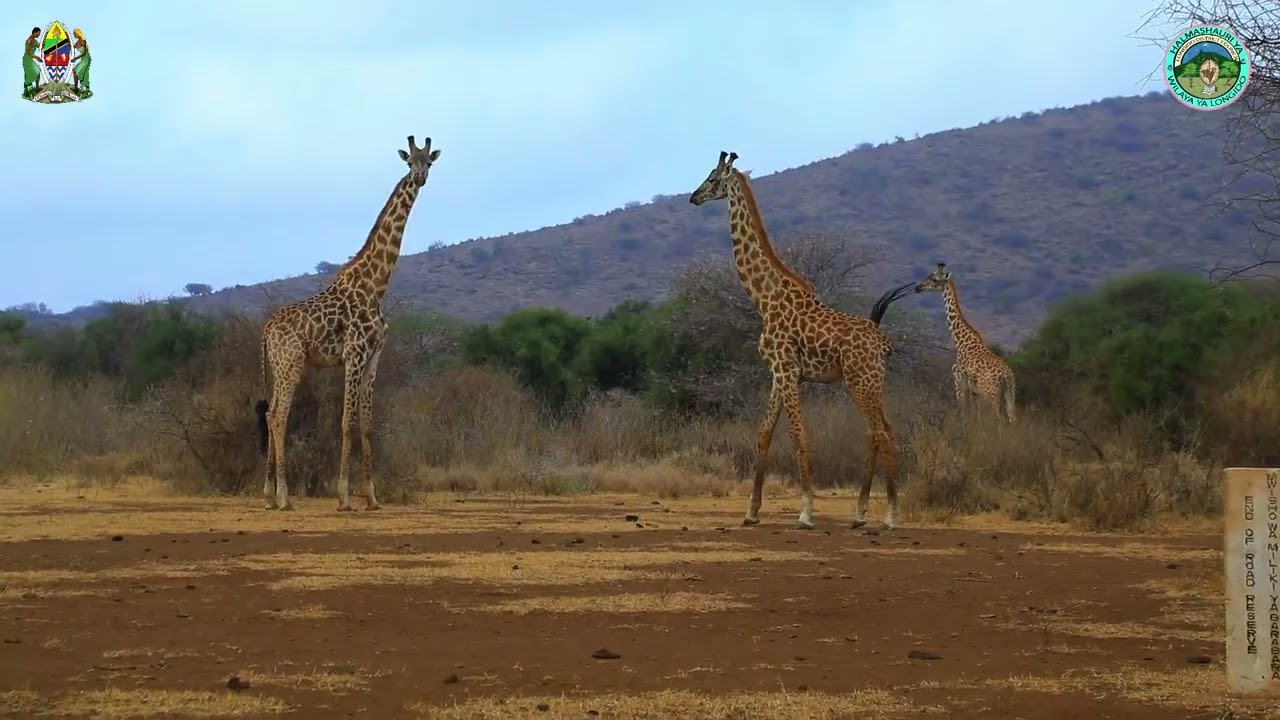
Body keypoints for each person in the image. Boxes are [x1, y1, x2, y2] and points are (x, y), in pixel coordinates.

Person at [71, 28, 89, 94]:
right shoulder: (78, 42)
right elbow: (72, 47)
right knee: (75, 72)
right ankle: (75, 87)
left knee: (76, 71)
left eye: (74, 34)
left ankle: (77, 88)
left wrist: (75, 58)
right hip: (83, 59)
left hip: (86, 59)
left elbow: (84, 53)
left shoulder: (83, 41)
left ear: (78, 33)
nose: (74, 35)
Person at [23, 27, 40, 95]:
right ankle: (27, 91)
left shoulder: (34, 40)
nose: (39, 35)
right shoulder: (30, 40)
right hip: (27, 59)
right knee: (30, 74)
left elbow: (40, 46)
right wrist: (37, 58)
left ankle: (37, 88)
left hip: (30, 59)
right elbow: (27, 52)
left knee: (37, 72)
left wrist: (45, 38)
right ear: (35, 32)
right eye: (38, 33)